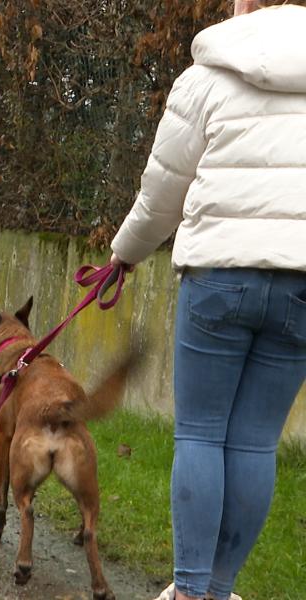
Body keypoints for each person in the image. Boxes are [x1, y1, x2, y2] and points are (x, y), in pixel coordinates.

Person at [109, 2, 306, 599]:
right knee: (253, 442)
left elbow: (163, 187)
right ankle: (220, 589)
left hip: (218, 275)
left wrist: (124, 255)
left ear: (245, 5)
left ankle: (190, 592)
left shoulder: (208, 74)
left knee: (200, 435)